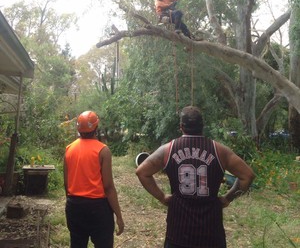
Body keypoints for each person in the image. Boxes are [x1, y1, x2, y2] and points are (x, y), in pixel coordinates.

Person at [136, 106, 255, 248]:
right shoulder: (220, 151)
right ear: (202, 126)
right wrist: (227, 198)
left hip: (178, 230)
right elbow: (248, 175)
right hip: (211, 231)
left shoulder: (168, 149)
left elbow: (142, 172)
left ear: (181, 127)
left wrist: (162, 197)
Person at [64, 110, 124, 248]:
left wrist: (72, 204)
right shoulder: (103, 150)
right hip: (98, 208)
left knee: (77, 244)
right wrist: (119, 216)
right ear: (96, 127)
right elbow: (108, 187)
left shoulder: (69, 149)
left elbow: (66, 184)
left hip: (74, 206)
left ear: (78, 128)